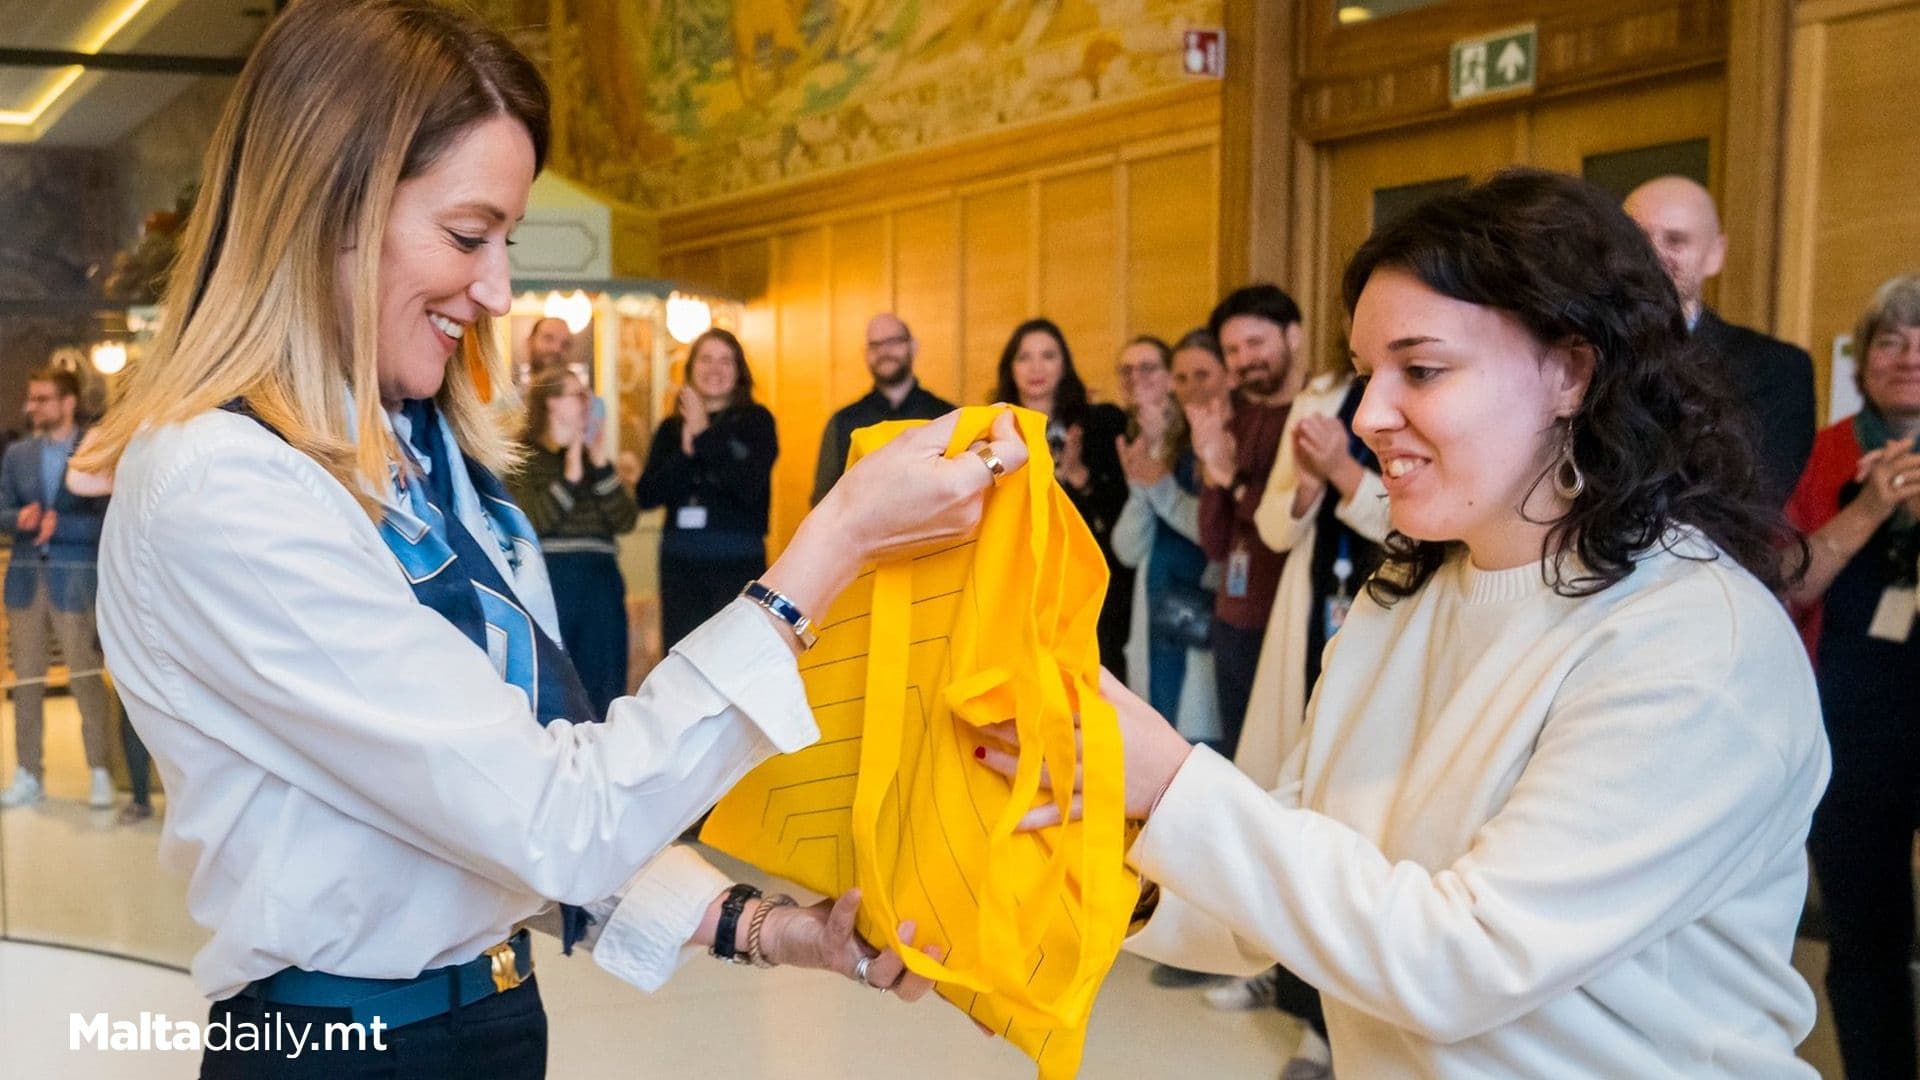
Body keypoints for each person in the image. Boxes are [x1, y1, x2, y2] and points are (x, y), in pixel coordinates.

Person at [75, 3, 1023, 1075]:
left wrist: (767, 927)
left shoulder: (426, 458)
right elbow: (554, 820)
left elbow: (520, 784)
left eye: (506, 243)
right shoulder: (222, 488)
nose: (496, 291)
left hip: (489, 1017)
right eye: (469, 236)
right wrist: (834, 541)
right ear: (325, 207)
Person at [983, 169, 1829, 1077]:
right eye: (1365, 374)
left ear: (1570, 372)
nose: (1371, 415)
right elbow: (1292, 880)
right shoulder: (1406, 600)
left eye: (1420, 370)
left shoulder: (1696, 640)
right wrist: (1076, 843)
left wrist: (1172, 782)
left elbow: (1464, 960)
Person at [1783, 272, 1920, 1080]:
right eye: (1889, 339)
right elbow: (1788, 583)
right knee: (1866, 945)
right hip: (1850, 737)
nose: (1907, 355)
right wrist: (1869, 505)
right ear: (1862, 359)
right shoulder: (1824, 449)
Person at [1624, 176, 1815, 504]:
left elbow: (1751, 499)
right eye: (1636, 240)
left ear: (1714, 254)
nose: (1652, 255)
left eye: (1675, 240)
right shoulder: (1582, 356)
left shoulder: (1775, 369)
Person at [1191, 285, 1301, 757]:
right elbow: (1215, 543)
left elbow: (1290, 521)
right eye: (1232, 350)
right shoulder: (1234, 420)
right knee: (1242, 760)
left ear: (1293, 336)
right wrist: (1212, 471)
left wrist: (1230, 478)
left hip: (1294, 618)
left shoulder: (1318, 414)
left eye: (1255, 343)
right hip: (1233, 619)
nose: (1243, 359)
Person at [0, 366, 114, 811]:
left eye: (42, 399)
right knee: (25, 684)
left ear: (67, 403)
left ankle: (100, 771)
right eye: (31, 398)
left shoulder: (95, 449)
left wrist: (61, 523)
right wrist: (18, 520)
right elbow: (2, 509)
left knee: (86, 679)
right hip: (27, 581)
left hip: (75, 580)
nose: (32, 407)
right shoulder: (18, 455)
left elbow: (110, 519)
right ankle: (29, 773)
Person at [994, 317, 1132, 682]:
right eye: (1025, 357)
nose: (1036, 367)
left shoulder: (1095, 426)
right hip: (1017, 582)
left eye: (1048, 356)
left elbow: (1118, 510)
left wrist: (1076, 477)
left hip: (1085, 584)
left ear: (1064, 365)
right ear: (1011, 368)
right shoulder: (991, 429)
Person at [635, 327, 778, 651]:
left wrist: (703, 435)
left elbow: (749, 487)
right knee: (683, 658)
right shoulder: (671, 429)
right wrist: (685, 454)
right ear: (691, 368)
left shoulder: (757, 421)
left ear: (739, 371)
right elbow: (647, 496)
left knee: (735, 657)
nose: (715, 369)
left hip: (737, 563)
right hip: (680, 565)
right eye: (706, 359)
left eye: (725, 361)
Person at [508, 367, 639, 716]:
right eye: (575, 394)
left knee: (605, 686)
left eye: (587, 394)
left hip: (601, 583)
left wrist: (598, 463)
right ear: (549, 403)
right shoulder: (524, 457)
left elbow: (625, 519)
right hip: (552, 582)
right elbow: (533, 521)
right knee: (557, 685)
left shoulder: (595, 460)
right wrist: (570, 475)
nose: (587, 402)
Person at [1112, 332, 1219, 742]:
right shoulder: (1142, 443)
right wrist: (1145, 478)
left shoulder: (1205, 441)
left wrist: (1158, 484)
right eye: (1126, 371)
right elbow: (1127, 549)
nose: (1136, 378)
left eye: (1149, 368)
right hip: (1152, 619)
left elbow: (1212, 534)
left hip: (1200, 616)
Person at [810, 313, 954, 505]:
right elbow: (823, 500)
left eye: (893, 341)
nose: (884, 352)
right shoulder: (843, 422)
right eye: (875, 345)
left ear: (913, 346)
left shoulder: (946, 416)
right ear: (865, 354)